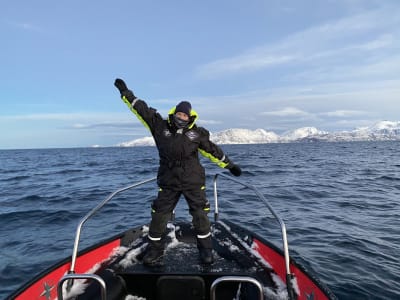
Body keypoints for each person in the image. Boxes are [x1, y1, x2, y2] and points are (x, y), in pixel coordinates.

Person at [114, 78, 242, 265]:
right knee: (159, 216)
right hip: (168, 181)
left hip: (193, 181)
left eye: (185, 116)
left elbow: (213, 151)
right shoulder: (159, 126)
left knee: (200, 215)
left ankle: (206, 250)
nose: (182, 118)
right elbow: (140, 108)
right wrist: (125, 92)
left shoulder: (197, 134)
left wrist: (230, 166)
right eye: (179, 114)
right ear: (175, 113)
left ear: (190, 117)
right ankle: (155, 250)